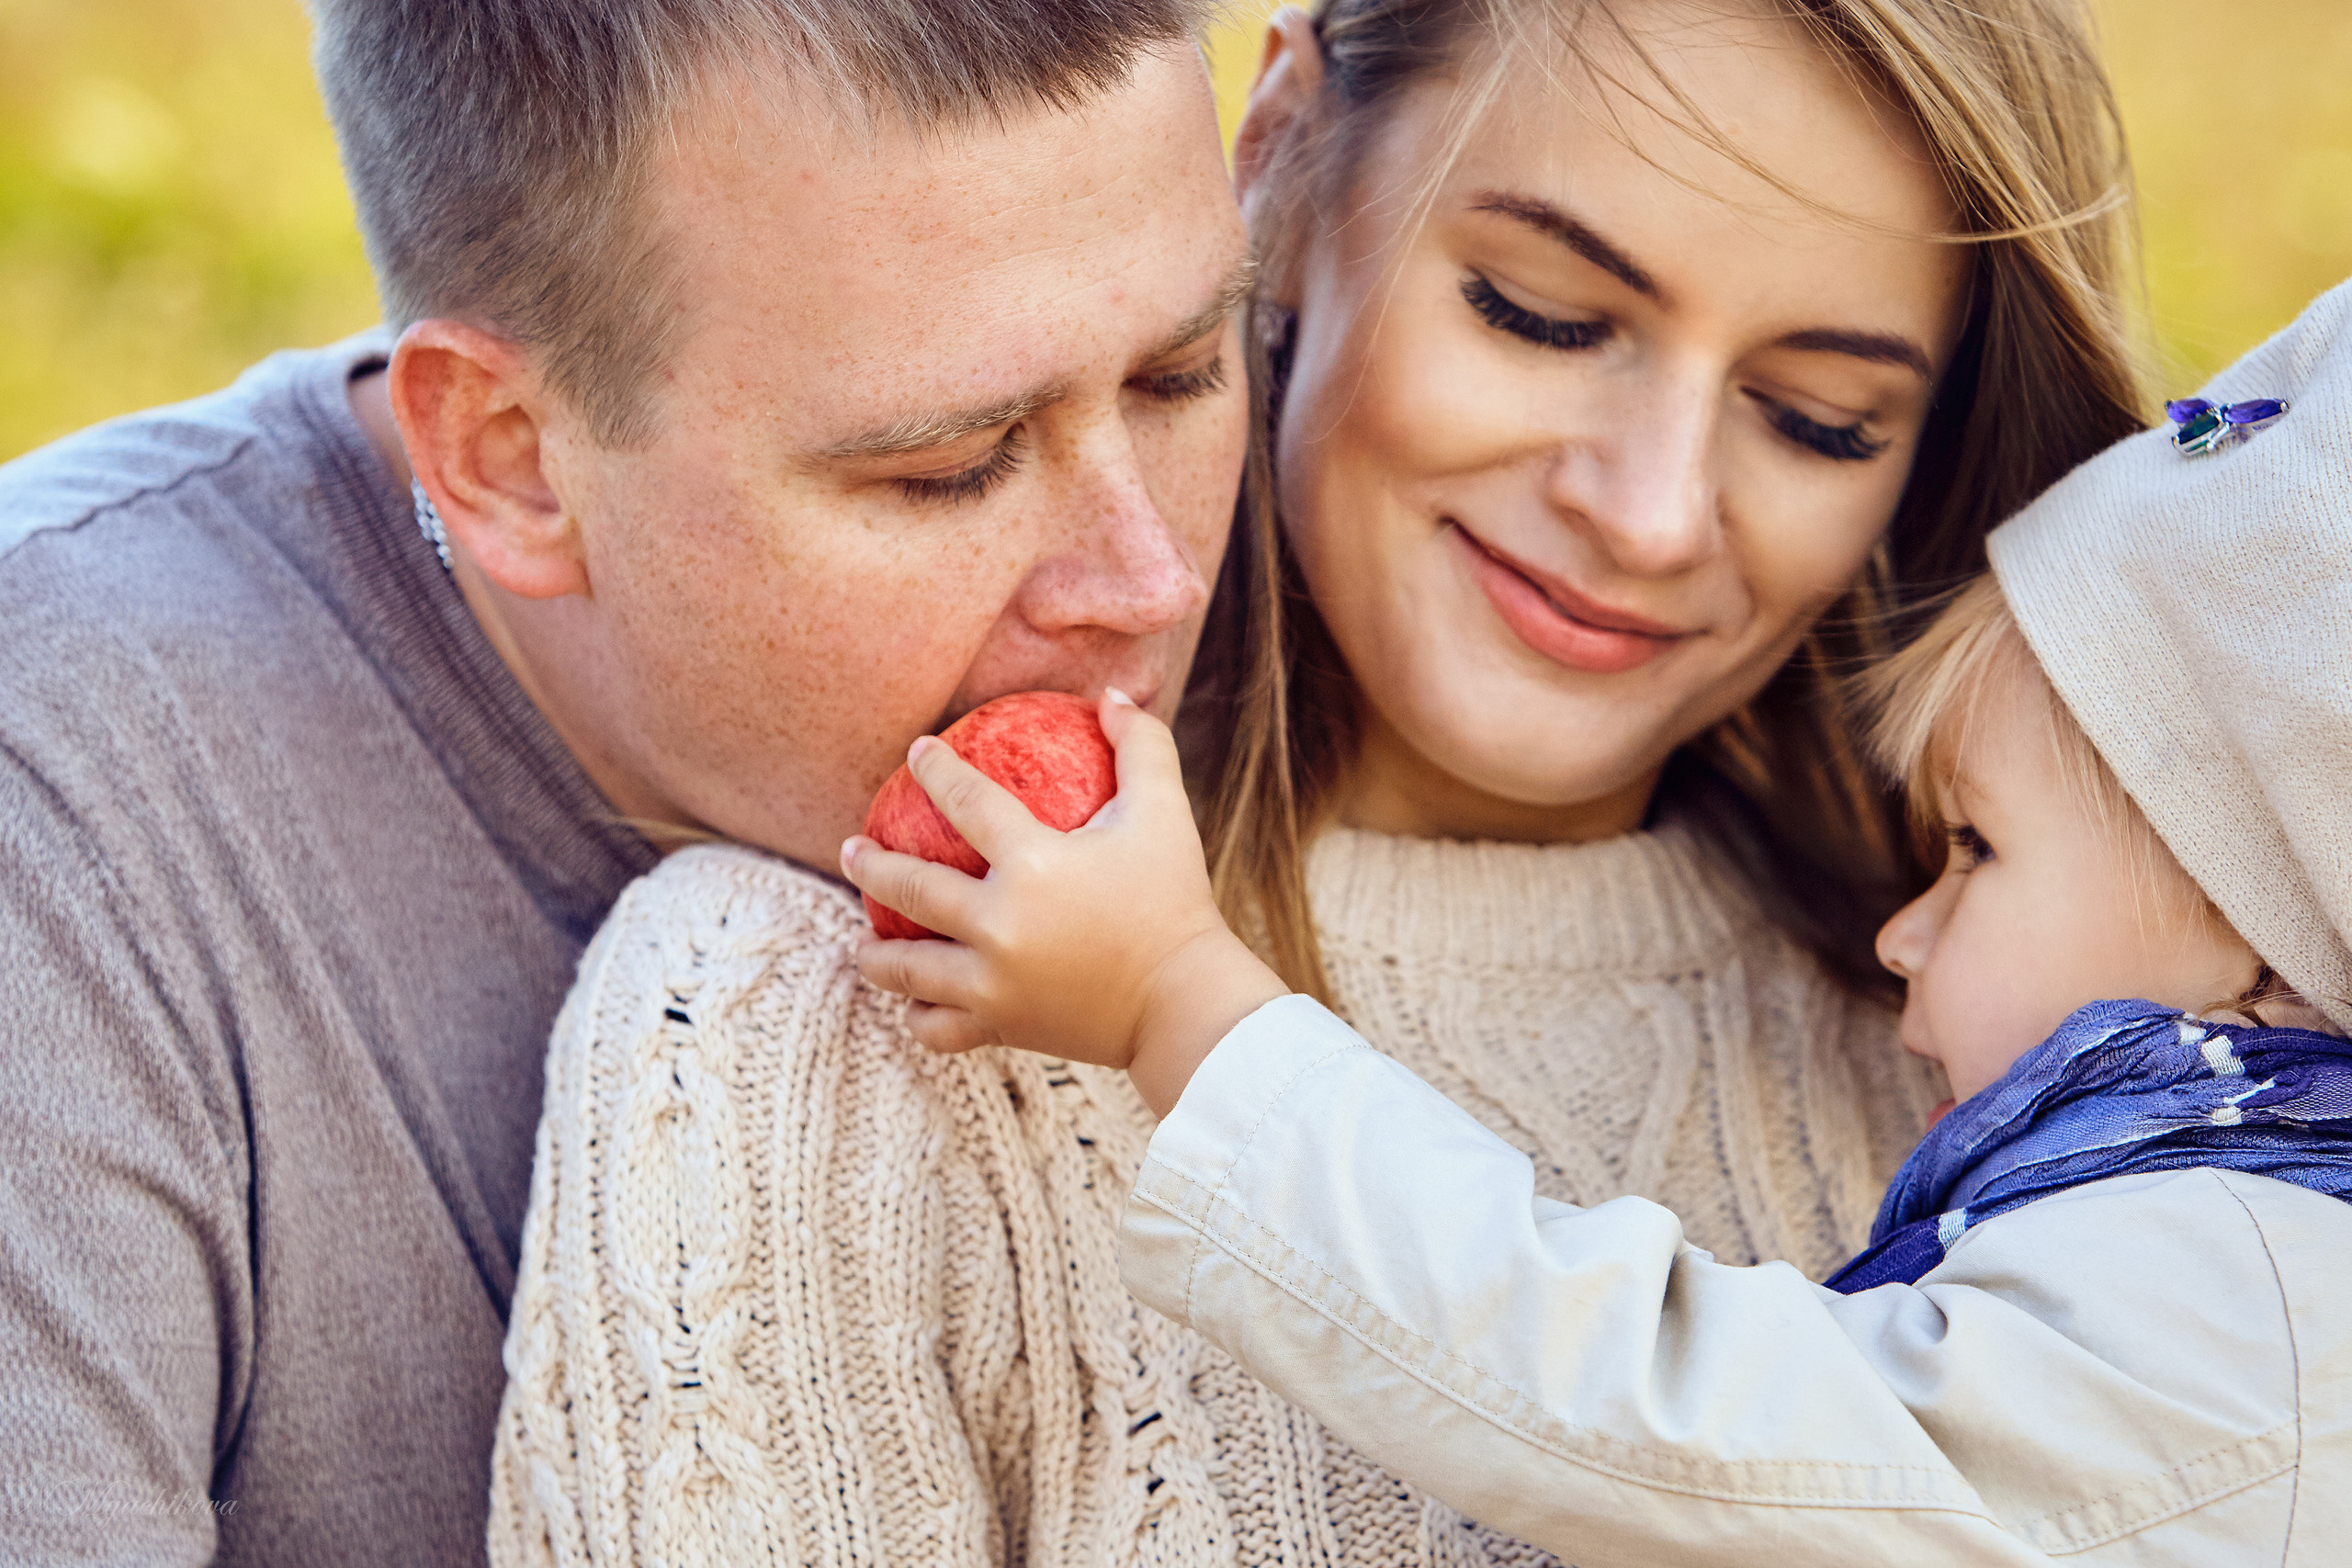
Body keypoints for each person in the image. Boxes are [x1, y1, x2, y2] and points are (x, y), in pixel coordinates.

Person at [499, 0, 2148, 1563]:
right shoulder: (826, 1022)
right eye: (1540, 315)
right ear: (1284, 157)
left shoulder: (2022, 1057)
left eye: (1816, 419)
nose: (1649, 513)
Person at [0, 0, 1249, 1561]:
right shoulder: (58, 804)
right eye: (951, 466)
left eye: (1187, 373)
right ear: (514, 457)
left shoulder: (1345, 576)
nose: (1147, 582)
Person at [842, 280, 2352, 1563]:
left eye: (1976, 849)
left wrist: (1181, 994)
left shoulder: (2251, 1294)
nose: (1906, 931)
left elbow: (1655, 1414)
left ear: (2266, 937)